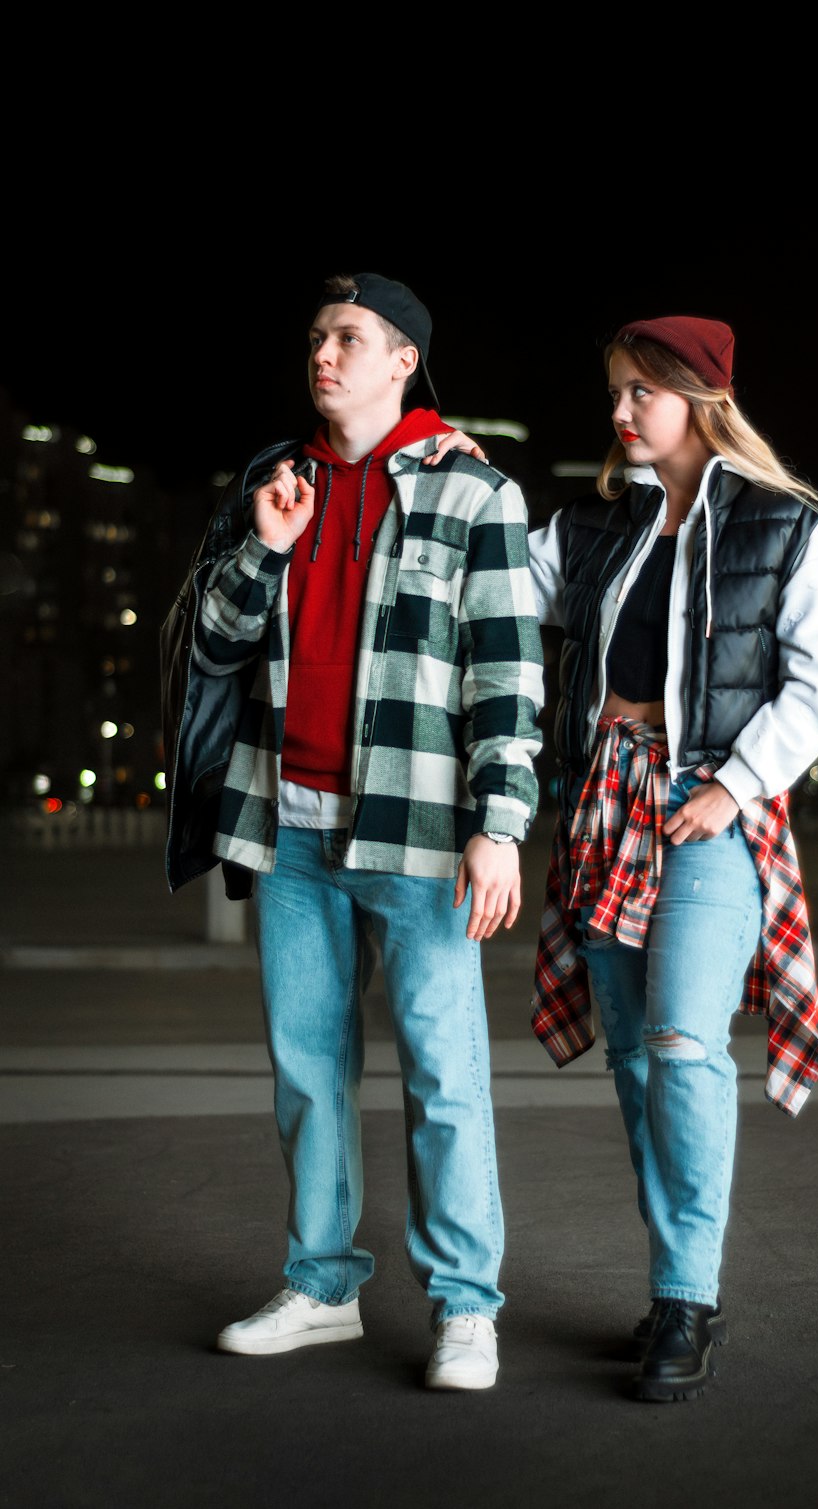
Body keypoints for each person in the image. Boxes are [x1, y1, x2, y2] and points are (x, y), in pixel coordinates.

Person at [160, 271, 544, 1391]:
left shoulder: (477, 495)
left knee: (444, 1076)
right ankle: (323, 1284)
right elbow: (216, 649)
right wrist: (266, 547)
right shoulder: (277, 485)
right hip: (289, 831)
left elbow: (507, 677)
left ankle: (467, 1307)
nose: (322, 353)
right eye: (317, 336)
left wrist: (500, 826)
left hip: (420, 836)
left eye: (349, 337)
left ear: (402, 361)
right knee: (307, 1073)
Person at [526, 313, 818, 1402]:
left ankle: (686, 1299)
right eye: (614, 392)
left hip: (706, 811)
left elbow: (815, 684)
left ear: (698, 399)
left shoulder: (782, 523)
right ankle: (674, 1283)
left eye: (639, 393)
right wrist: (459, 483)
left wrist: (730, 783)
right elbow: (493, 588)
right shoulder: (592, 530)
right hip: (601, 806)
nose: (619, 413)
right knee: (631, 1059)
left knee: (680, 1044)